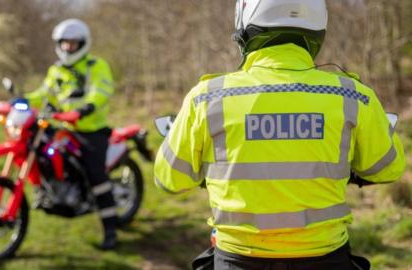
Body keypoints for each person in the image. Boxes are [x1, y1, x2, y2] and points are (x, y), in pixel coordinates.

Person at [154, 1, 405, 269]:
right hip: (325, 257)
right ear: (317, 32)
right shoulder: (353, 96)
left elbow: (169, 178)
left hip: (238, 258)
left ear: (245, 32)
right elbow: (388, 169)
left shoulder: (207, 98)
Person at [26, 18, 118, 250]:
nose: (68, 48)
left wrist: (84, 109)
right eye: (64, 43)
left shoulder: (96, 65)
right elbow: (42, 94)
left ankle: (110, 230)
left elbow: (102, 90)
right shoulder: (56, 70)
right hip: (64, 128)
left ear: (83, 43)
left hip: (91, 130)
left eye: (73, 44)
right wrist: (21, 100)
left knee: (97, 177)